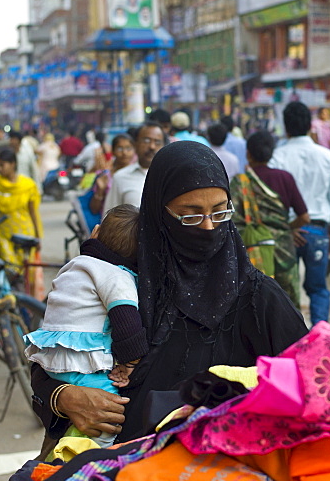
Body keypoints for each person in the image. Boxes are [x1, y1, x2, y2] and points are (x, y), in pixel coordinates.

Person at [30, 141, 308, 443]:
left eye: (219, 213)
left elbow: (309, 382)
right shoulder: (119, 277)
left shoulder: (258, 298)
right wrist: (65, 397)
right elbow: (56, 351)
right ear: (158, 214)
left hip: (225, 472)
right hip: (118, 467)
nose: (208, 228)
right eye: (190, 216)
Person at [25, 206, 148, 446]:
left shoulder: (76, 266)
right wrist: (131, 362)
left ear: (95, 232)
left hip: (51, 359)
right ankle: (95, 448)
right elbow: (126, 323)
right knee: (109, 413)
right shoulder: (117, 276)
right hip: (84, 362)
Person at [269, 101, 330, 325]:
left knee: (285, 290)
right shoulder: (326, 156)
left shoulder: (278, 156)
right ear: (309, 126)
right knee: (318, 289)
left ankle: (291, 338)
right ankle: (320, 339)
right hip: (318, 230)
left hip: (288, 232)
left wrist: (284, 228)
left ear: (286, 127)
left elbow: (274, 200)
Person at [231, 129, 310, 305]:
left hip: (252, 251)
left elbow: (232, 219)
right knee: (288, 304)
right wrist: (287, 228)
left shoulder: (240, 181)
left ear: (248, 154)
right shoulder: (285, 178)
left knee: (254, 303)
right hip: (283, 251)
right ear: (272, 153)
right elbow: (304, 217)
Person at [0, 148, 43, 286]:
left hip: (25, 234)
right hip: (4, 235)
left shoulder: (28, 185)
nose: (0, 169)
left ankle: (24, 303)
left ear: (13, 164)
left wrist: (38, 237)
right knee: (10, 270)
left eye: (2, 165)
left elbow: (33, 213)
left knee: (26, 271)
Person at [98, 121, 166, 215]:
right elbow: (109, 218)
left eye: (157, 142)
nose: (152, 146)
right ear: (136, 144)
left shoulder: (170, 178)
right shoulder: (120, 177)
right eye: (146, 140)